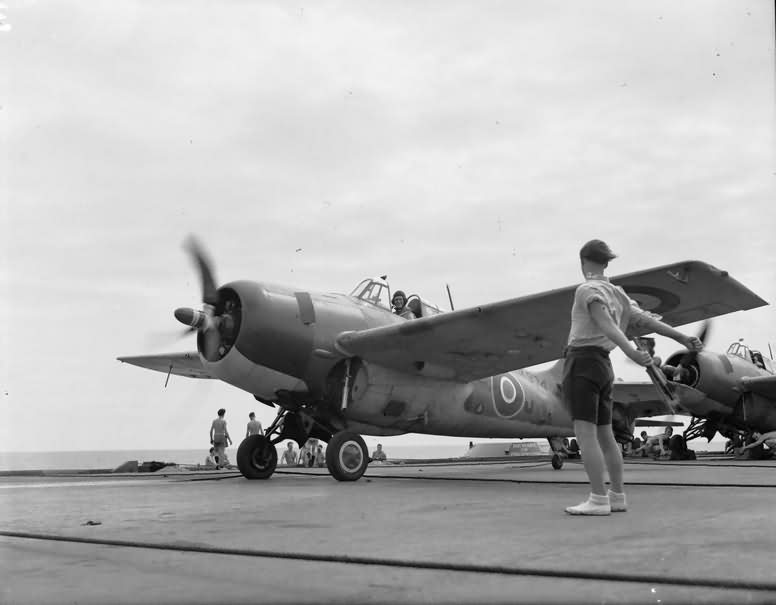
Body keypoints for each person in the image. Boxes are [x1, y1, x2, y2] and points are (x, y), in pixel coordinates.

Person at [563, 239, 703, 516]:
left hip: (582, 362)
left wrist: (632, 352)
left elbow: (604, 322)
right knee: (606, 435)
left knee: (585, 434)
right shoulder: (619, 295)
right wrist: (681, 337)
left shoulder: (587, 290)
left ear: (582, 262)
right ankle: (617, 496)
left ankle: (598, 499)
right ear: (606, 263)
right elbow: (646, 320)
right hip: (604, 366)